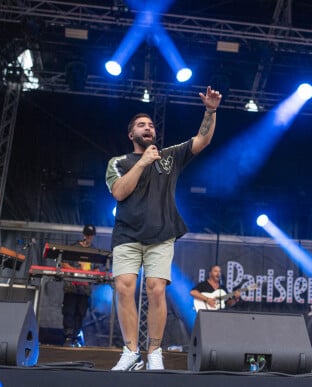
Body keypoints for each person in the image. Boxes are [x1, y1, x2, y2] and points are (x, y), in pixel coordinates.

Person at [106, 86, 222, 371]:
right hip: (127, 235)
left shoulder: (169, 156)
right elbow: (119, 192)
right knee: (123, 288)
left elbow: (202, 140)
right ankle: (131, 352)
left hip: (161, 235)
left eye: (151, 125)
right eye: (141, 125)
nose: (148, 128)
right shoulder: (118, 162)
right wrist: (143, 162)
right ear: (131, 134)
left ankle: (154, 352)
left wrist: (210, 110)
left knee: (156, 289)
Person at [61, 224, 96, 347]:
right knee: (69, 311)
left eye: (91, 235)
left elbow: (97, 269)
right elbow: (63, 264)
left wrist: (89, 274)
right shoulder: (73, 248)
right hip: (72, 286)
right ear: (83, 235)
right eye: (87, 234)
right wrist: (78, 271)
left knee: (80, 313)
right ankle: (68, 337)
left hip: (85, 288)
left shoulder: (94, 250)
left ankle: (75, 337)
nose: (89, 237)